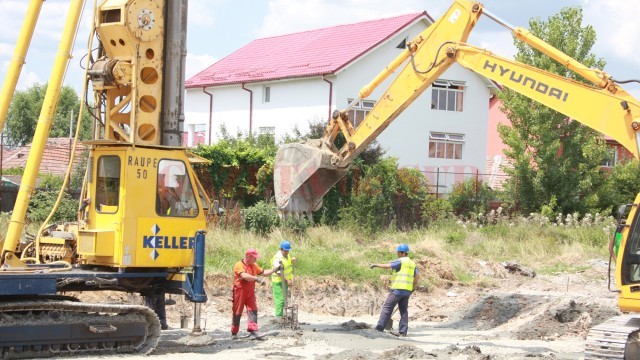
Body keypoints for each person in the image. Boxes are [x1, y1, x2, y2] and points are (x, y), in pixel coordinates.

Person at [369, 243, 420, 337]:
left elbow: (388, 266)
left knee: (387, 308)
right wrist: (412, 286)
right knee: (404, 311)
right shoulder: (412, 263)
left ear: (402, 253)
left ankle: (379, 328)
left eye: (398, 252)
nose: (397, 254)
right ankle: (403, 332)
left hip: (398, 289)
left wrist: (376, 265)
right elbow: (417, 276)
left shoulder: (401, 261)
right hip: (407, 291)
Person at [231, 248, 277, 339]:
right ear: (248, 256)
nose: (256, 259)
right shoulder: (239, 265)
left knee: (253, 309)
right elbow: (244, 276)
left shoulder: (254, 265)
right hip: (240, 291)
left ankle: (253, 331)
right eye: (254, 257)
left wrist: (274, 269)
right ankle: (234, 332)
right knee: (237, 311)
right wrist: (257, 278)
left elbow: (263, 272)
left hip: (250, 291)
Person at [271, 240, 296, 320]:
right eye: (286, 250)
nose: (287, 252)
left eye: (288, 250)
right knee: (280, 300)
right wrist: (287, 280)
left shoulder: (286, 255)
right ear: (281, 249)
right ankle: (279, 317)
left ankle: (283, 316)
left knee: (284, 299)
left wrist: (291, 260)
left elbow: (287, 263)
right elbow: (279, 273)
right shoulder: (277, 258)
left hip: (285, 281)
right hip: (278, 282)